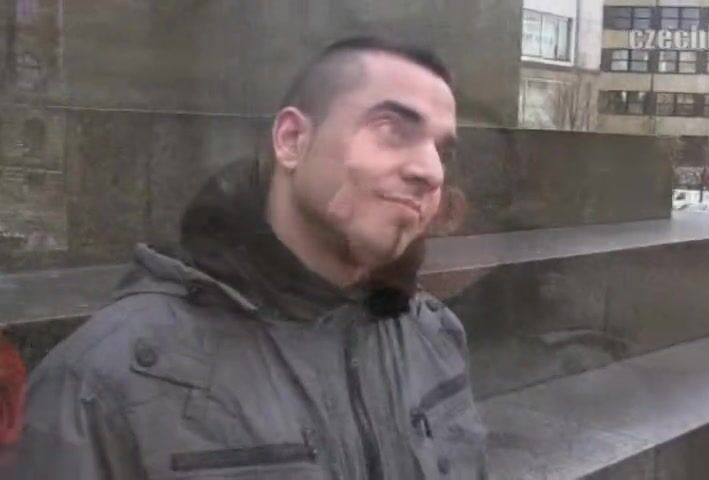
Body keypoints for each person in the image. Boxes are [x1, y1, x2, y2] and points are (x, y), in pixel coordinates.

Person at [14, 36, 487, 479]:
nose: (430, 171)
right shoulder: (107, 381)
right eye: (391, 130)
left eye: (442, 151)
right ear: (292, 140)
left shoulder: (434, 336)